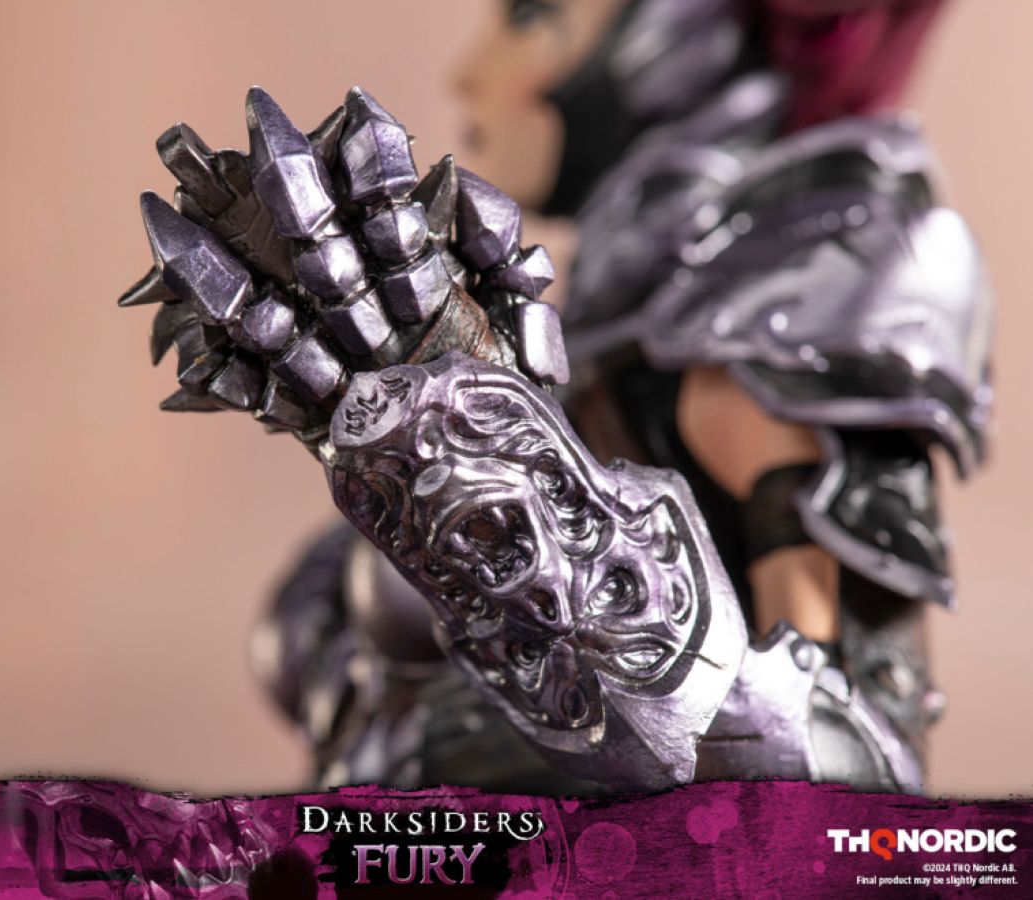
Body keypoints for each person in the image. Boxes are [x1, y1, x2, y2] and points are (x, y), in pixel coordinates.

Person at [119, 0, 989, 793]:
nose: (469, 73)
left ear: (679, 39)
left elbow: (853, 778)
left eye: (534, 15)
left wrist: (473, 452)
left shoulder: (805, 287)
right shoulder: (614, 325)